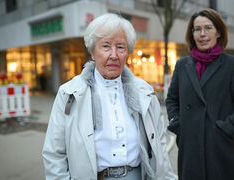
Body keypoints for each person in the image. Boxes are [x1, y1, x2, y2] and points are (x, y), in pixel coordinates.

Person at [42, 13, 176, 180]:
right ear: (92, 52)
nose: (113, 55)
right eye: (105, 46)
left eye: (120, 47)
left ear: (128, 52)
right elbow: (54, 153)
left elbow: (160, 149)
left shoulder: (145, 93)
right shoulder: (69, 93)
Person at [166, 9, 234, 180]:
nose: (202, 34)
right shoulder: (182, 65)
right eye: (197, 29)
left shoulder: (233, 65)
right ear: (191, 34)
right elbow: (172, 99)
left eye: (208, 28)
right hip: (190, 145)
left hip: (220, 147)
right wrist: (177, 124)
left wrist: (227, 128)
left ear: (219, 33)